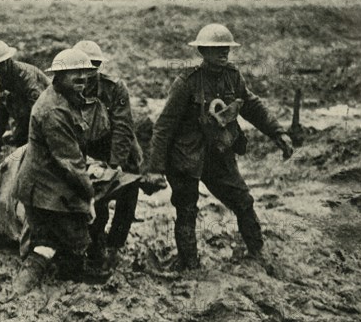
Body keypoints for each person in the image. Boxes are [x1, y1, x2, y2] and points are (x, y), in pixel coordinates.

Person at [146, 24, 294, 271]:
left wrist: (277, 133)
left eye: (226, 48)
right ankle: (189, 264)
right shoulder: (187, 82)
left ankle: (257, 252)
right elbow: (164, 126)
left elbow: (252, 106)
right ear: (202, 51)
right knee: (186, 209)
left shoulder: (233, 77)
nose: (223, 53)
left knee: (243, 200)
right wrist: (155, 168)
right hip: (185, 157)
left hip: (219, 154)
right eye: (217, 49)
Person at [12, 49, 99, 295]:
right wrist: (89, 196)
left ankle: (27, 286)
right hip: (47, 191)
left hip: (44, 187)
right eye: (75, 73)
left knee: (46, 243)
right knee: (76, 244)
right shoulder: (54, 110)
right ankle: (64, 286)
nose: (82, 77)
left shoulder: (64, 99)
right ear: (59, 76)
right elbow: (70, 161)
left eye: (85, 72)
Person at [72, 40, 144, 267]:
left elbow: (123, 128)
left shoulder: (115, 89)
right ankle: (94, 244)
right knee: (94, 200)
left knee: (128, 192)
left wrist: (116, 164)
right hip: (86, 149)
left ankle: (115, 244)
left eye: (94, 65)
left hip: (116, 147)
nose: (89, 71)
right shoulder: (67, 89)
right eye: (84, 65)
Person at [0, 40, 51, 150]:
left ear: (7, 60)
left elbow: (39, 111)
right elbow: (2, 107)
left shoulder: (27, 77)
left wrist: (23, 135)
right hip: (27, 120)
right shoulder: (4, 75)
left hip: (48, 119)